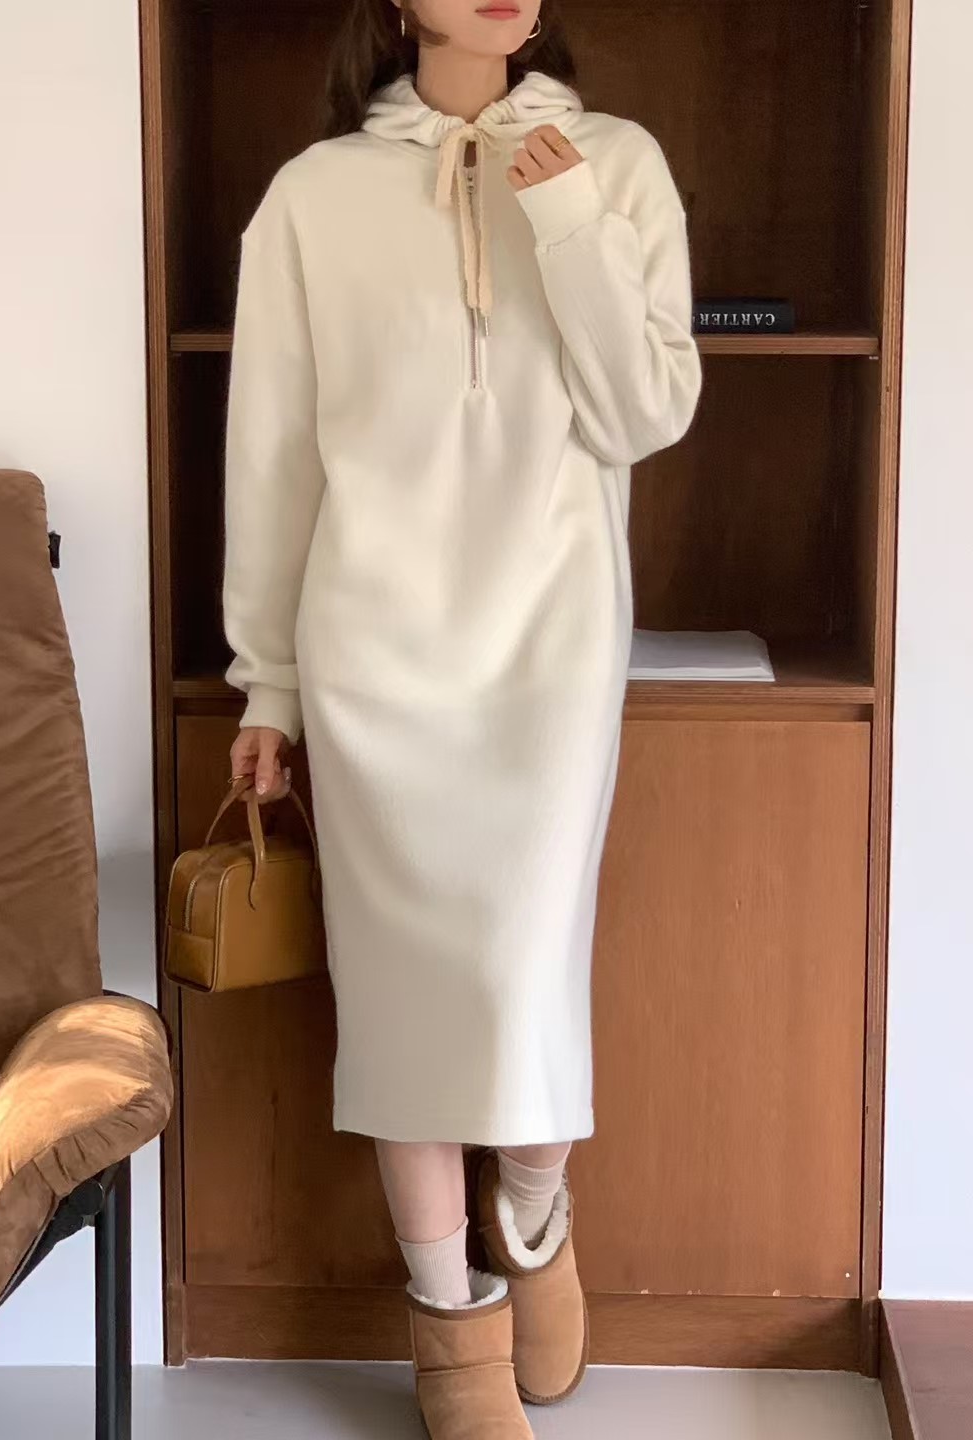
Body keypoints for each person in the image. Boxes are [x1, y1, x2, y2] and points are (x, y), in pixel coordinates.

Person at [224, 1, 701, 1435]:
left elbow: (647, 412)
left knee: (524, 979)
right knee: (400, 1008)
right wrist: (268, 681)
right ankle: (451, 1330)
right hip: (372, 656)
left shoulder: (617, 163)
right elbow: (273, 452)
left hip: (550, 652)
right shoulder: (311, 197)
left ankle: (536, 1224)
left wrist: (567, 220)